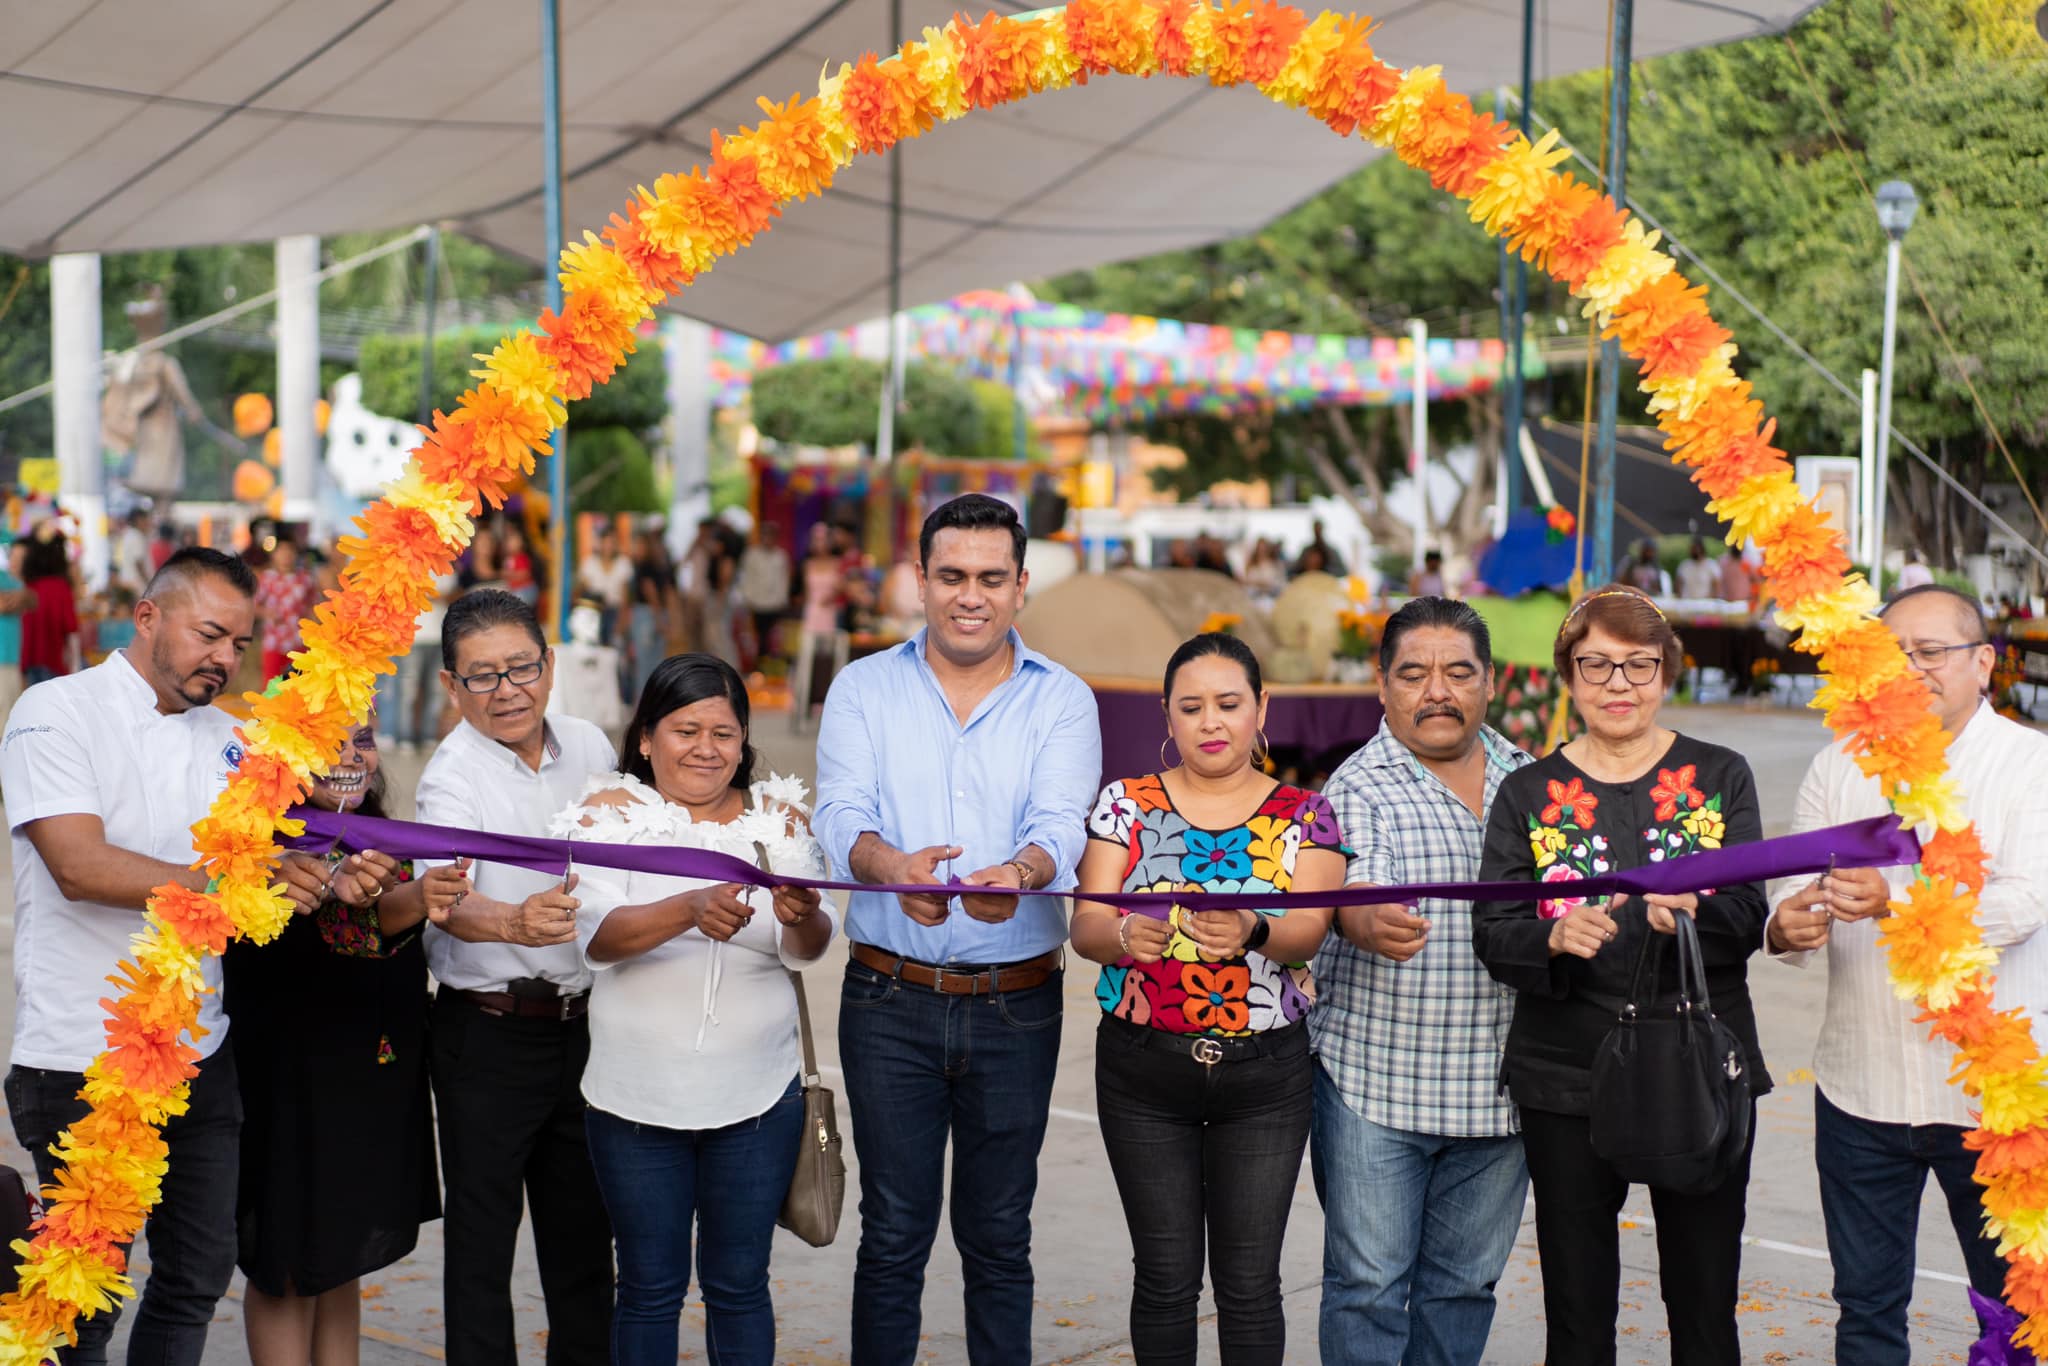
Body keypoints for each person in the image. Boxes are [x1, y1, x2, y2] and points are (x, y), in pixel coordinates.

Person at [815, 493, 1101, 1366]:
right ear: (920, 582)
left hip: (1016, 1006)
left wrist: (1020, 876)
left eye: (988, 578)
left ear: (1020, 587)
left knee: (1000, 1236)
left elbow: (1062, 823)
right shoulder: (862, 686)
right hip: (886, 996)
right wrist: (887, 866)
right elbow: (840, 814)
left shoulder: (1065, 699)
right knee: (893, 1234)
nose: (967, 596)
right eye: (950, 576)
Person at [0, 548, 293, 1364]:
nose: (224, 659)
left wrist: (321, 872)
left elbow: (276, 865)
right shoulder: (56, 710)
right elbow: (79, 866)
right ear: (149, 616)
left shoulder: (235, 739)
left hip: (201, 1047)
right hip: (84, 1058)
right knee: (82, 1303)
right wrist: (229, 886)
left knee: (198, 1275)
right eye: (209, 634)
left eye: (238, 643)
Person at [1472, 585, 1770, 1366]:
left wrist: (1696, 915)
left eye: (1638, 664)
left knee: (1705, 1309)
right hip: (1566, 1075)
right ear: (1568, 676)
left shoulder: (1720, 775)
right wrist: (1553, 936)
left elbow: (1749, 915)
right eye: (1595, 664)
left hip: (1699, 1068)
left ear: (1666, 671)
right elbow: (1494, 935)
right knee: (1577, 1313)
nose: (1617, 684)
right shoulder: (1528, 793)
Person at [1763, 584, 2048, 1365]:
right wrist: (1784, 925)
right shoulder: (1840, 763)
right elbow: (1790, 886)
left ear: (1984, 663)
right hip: (1861, 1089)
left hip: (1993, 1097)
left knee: (2016, 1308)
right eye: (1894, 655)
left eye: (1932, 652)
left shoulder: (2030, 763)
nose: (1912, 670)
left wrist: (1899, 900)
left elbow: (2022, 904)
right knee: (1866, 1309)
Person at [550, 654, 835, 1365]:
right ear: (646, 737)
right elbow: (599, 939)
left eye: (724, 732)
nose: (707, 748)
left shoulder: (780, 820)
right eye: (685, 730)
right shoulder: (606, 815)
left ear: (744, 742)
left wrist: (800, 913)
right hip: (635, 1099)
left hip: (759, 1100)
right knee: (649, 1289)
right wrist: (687, 906)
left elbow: (812, 943)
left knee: (740, 1286)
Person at [1071, 632, 1344, 1364]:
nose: (1211, 722)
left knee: (1250, 1284)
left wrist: (1256, 927)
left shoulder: (1306, 814)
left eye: (1229, 704)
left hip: (1265, 1078)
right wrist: (1124, 933)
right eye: (1191, 707)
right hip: (1141, 1069)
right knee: (1163, 1279)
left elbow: (1309, 933)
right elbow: (1086, 927)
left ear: (1262, 710)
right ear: (1167, 717)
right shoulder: (1124, 805)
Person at [1312, 597, 1534, 1366]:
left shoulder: (1533, 782)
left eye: (1457, 672)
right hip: (1377, 1089)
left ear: (1490, 682)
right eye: (1413, 673)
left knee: (1463, 1290)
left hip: (1501, 1096)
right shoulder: (1356, 785)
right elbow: (1359, 890)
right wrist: (1365, 920)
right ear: (1383, 686)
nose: (1436, 690)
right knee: (1367, 1288)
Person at [415, 588, 616, 1366]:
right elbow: (445, 898)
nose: (507, 692)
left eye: (522, 669)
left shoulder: (591, 747)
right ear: (452, 686)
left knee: (584, 1244)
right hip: (486, 1037)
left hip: (586, 1033)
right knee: (481, 1247)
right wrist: (511, 922)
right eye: (483, 676)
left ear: (551, 663)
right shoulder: (451, 777)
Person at [225, 716, 458, 1366]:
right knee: (286, 1262)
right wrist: (397, 898)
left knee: (338, 1257)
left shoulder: (380, 836)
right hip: (288, 1085)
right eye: (324, 739)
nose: (349, 755)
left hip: (367, 1083)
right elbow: (346, 928)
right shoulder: (254, 848)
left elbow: (385, 937)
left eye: (361, 737)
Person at [394, 570, 458, 752]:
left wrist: (428, 595)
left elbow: (453, 595)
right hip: (413, 638)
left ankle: (428, 735)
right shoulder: (407, 567)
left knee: (436, 690)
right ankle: (404, 737)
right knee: (408, 690)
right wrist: (433, 596)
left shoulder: (445, 567)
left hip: (439, 637)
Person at [19, 532, 81, 686]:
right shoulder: (61, 588)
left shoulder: (29, 587)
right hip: (55, 661)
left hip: (29, 661)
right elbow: (71, 628)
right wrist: (75, 666)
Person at [254, 535, 316, 680]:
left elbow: (313, 605)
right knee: (271, 684)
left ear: (296, 554)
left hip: (299, 640)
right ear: (274, 554)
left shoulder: (305, 579)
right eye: (281, 550)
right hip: (274, 641)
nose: (286, 554)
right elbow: (252, 605)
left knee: (300, 684)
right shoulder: (266, 578)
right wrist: (267, 613)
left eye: (290, 550)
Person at [627, 529, 676, 696]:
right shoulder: (660, 566)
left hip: (646, 614)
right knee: (656, 661)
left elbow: (650, 592)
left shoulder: (644, 566)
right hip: (658, 613)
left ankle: (643, 700)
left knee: (644, 662)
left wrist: (657, 618)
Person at [737, 521, 793, 664]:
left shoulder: (781, 556)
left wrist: (782, 600)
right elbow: (746, 578)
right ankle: (757, 666)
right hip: (756, 604)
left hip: (774, 605)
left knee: (773, 640)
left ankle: (771, 667)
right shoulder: (752, 555)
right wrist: (747, 600)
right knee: (756, 639)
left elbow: (783, 580)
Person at [578, 523, 635, 648]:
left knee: (613, 649)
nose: (609, 546)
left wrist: (621, 623)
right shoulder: (590, 563)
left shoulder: (623, 563)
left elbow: (625, 597)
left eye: (612, 542)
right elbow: (582, 589)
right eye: (606, 542)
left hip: (614, 612)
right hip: (593, 612)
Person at [113, 508, 153, 597]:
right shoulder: (137, 536)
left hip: (128, 583)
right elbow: (139, 564)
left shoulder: (128, 534)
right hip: (137, 585)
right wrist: (151, 584)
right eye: (146, 520)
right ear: (139, 520)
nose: (148, 524)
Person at [500, 523, 539, 608]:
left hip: (525, 589)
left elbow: (525, 573)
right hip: (515, 590)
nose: (509, 544)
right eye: (508, 541)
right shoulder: (508, 559)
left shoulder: (521, 558)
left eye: (513, 540)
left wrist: (510, 575)